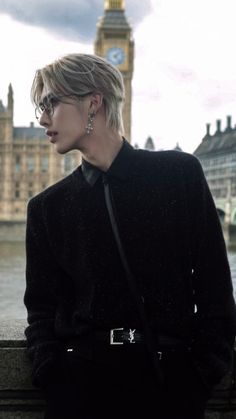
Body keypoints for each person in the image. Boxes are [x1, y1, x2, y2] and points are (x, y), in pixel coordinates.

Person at [24, 53, 236, 419]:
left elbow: (216, 289)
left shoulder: (178, 176)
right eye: (40, 108)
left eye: (51, 103)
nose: (43, 119)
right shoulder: (47, 207)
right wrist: (55, 376)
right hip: (81, 392)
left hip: (169, 385)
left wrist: (201, 375)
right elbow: (41, 311)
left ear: (93, 103)